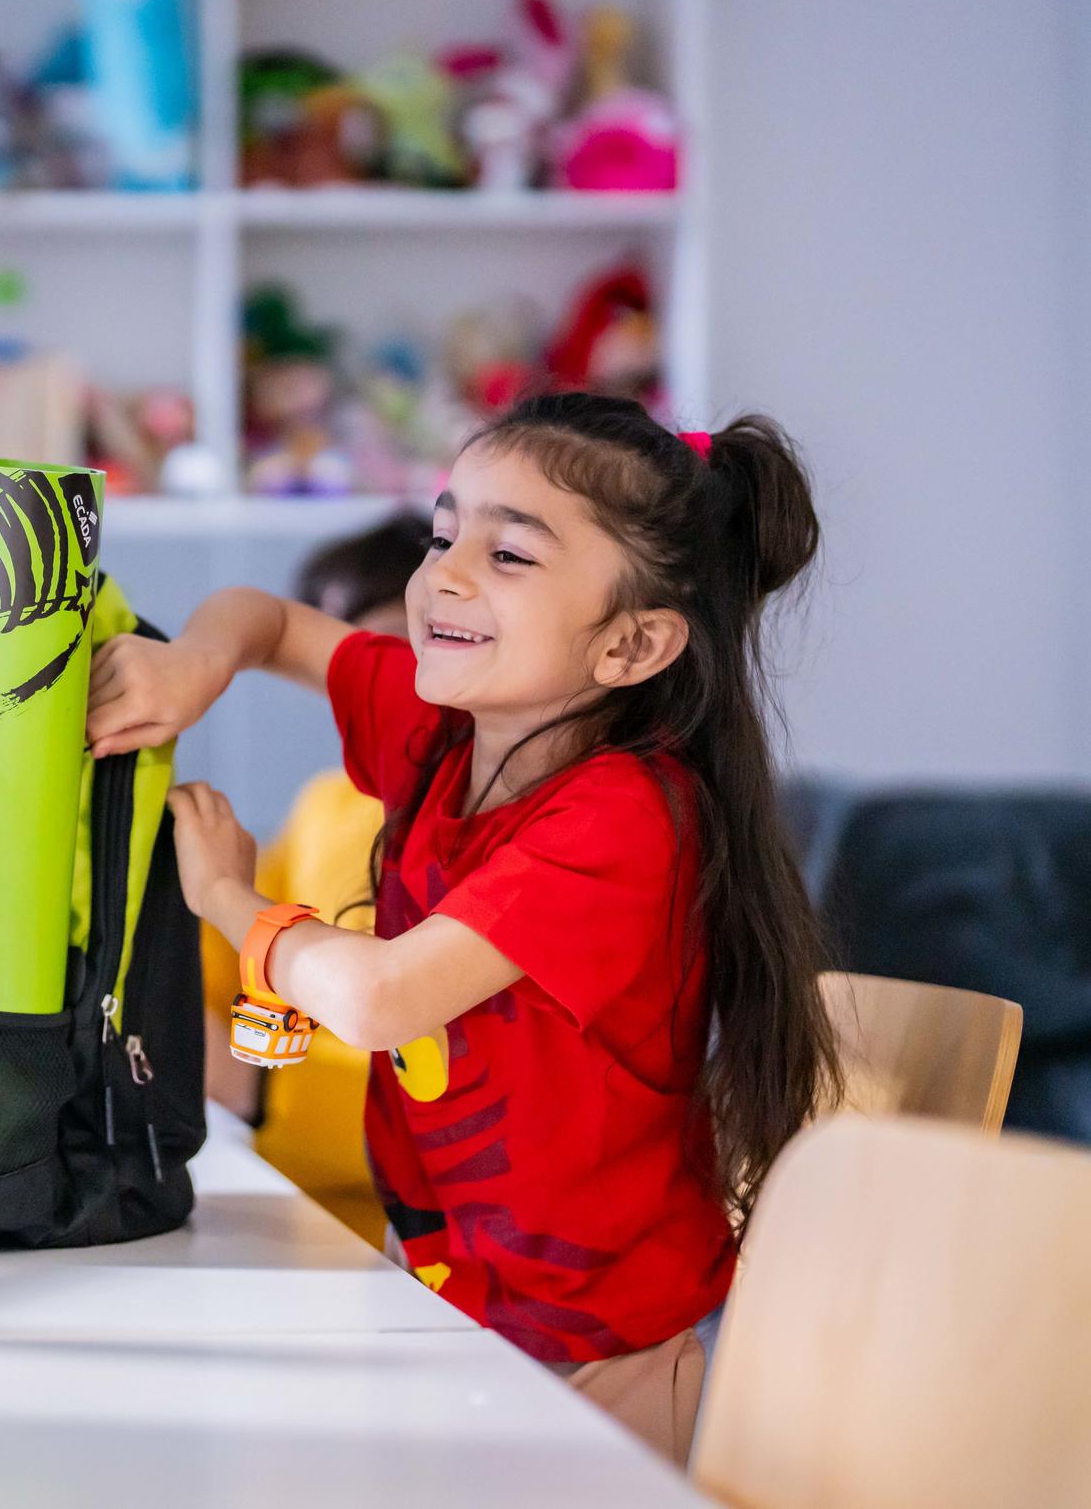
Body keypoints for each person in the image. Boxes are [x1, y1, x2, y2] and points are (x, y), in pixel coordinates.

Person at [89, 393, 840, 1465]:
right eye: (446, 531)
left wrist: (229, 901)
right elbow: (268, 617)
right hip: (456, 1297)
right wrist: (196, 664)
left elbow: (382, 994)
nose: (444, 572)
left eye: (510, 555)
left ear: (632, 643)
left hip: (594, 1349)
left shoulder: (628, 815)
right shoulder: (445, 735)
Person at [199, 513, 429, 1244]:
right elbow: (235, 963)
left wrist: (259, 1086)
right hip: (289, 1211)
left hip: (374, 1235)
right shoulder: (330, 801)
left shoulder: (447, 823)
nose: (364, 681)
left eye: (390, 645)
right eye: (333, 657)